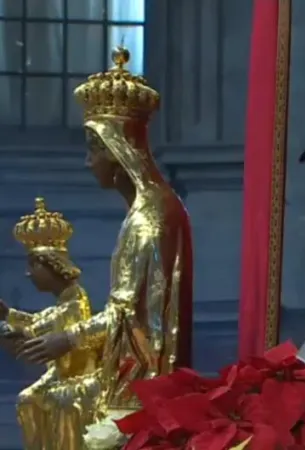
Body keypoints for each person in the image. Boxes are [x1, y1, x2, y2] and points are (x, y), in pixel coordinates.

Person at [15, 46, 195, 414]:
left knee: (45, 405)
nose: (87, 162)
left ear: (117, 152)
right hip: (130, 370)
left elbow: (126, 313)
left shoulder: (150, 220)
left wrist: (68, 338)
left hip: (140, 387)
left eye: (92, 151)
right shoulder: (150, 208)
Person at [0, 197, 103, 450]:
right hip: (60, 374)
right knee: (27, 399)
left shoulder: (75, 303)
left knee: (31, 399)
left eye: (33, 266)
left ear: (52, 266)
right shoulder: (64, 302)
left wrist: (6, 328)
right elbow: (39, 320)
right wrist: (8, 314)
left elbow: (37, 332)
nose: (28, 273)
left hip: (76, 379)